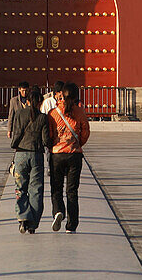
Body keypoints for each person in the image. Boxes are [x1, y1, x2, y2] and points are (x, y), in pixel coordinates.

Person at [48, 82, 90, 233]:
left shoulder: (53, 113)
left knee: (56, 188)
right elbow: (85, 132)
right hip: (74, 155)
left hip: (57, 154)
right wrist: (78, 144)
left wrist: (54, 145)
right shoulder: (80, 112)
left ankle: (58, 211)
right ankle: (71, 226)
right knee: (72, 191)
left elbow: (50, 134)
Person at [11, 86, 49, 233]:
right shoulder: (43, 118)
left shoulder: (20, 113)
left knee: (20, 188)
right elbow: (46, 140)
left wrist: (14, 145)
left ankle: (22, 217)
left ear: (28, 101)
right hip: (36, 155)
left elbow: (16, 133)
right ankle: (32, 223)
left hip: (21, 154)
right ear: (40, 102)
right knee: (36, 190)